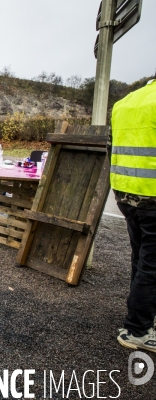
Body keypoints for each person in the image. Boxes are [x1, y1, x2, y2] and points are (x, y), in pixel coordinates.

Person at [111, 78, 156, 353]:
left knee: (141, 259)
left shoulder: (124, 103)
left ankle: (141, 321)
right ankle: (138, 329)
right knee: (151, 265)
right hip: (153, 194)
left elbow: (110, 147)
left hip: (127, 193)